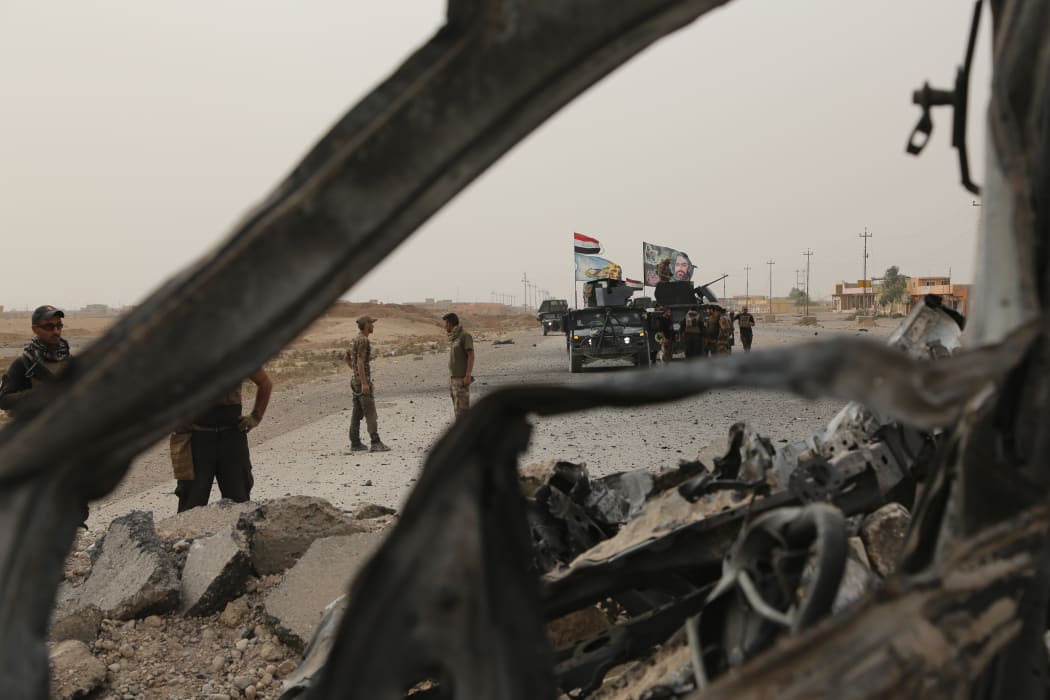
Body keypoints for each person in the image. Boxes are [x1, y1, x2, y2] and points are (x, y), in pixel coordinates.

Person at [0, 305, 89, 525]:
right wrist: (38, 395)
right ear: (35, 329)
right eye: (49, 326)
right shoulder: (24, 363)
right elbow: (4, 399)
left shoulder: (69, 361)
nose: (56, 331)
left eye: (59, 325)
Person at [171, 368, 272, 512]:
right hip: (197, 439)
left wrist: (256, 417)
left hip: (232, 438)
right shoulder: (185, 354)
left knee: (239, 505)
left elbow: (265, 383)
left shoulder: (238, 353)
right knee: (191, 505)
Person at [345, 315, 390, 452]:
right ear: (366, 325)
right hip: (361, 382)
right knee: (370, 412)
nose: (373, 326)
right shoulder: (364, 340)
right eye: (371, 323)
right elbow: (359, 362)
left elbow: (347, 358)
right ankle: (375, 442)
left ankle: (355, 443)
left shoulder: (355, 339)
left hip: (355, 381)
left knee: (356, 413)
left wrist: (357, 376)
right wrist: (364, 383)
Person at [443, 312, 474, 418]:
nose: (445, 326)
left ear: (451, 323)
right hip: (453, 379)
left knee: (463, 411)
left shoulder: (464, 336)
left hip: (462, 379)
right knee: (457, 409)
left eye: (446, 324)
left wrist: (468, 375)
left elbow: (471, 355)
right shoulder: (454, 337)